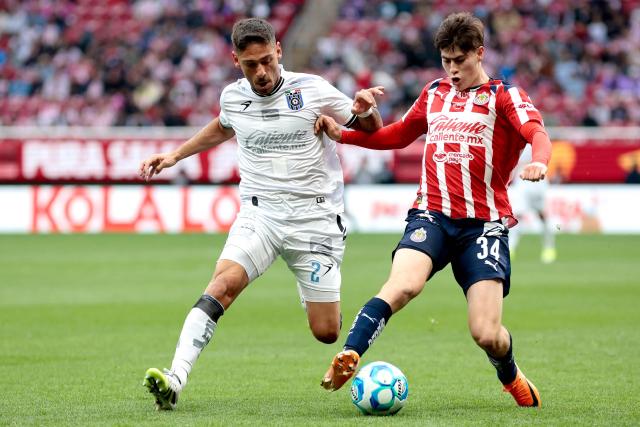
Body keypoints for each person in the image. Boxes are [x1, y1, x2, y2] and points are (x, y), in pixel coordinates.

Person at [138, 18, 383, 410]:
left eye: (267, 60)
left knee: (326, 332)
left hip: (314, 220)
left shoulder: (313, 89)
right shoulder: (233, 98)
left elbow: (373, 131)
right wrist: (174, 155)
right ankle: (175, 379)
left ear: (279, 51)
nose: (262, 72)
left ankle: (311, 288)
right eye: (251, 64)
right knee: (221, 287)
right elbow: (222, 127)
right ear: (236, 60)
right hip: (260, 216)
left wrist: (366, 112)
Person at [315, 12, 551, 407]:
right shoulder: (435, 93)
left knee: (486, 334)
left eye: (461, 60)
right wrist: (346, 135)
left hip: (484, 226)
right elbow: (399, 134)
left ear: (480, 53)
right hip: (432, 214)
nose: (453, 70)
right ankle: (350, 354)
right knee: (403, 285)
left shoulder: (504, 96)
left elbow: (536, 133)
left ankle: (510, 374)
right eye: (446, 61)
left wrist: (540, 160)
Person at [508, 144, 557, 263]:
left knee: (542, 215)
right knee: (517, 216)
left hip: (538, 180)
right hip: (522, 182)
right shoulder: (516, 134)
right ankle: (510, 249)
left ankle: (549, 248)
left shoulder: (534, 134)